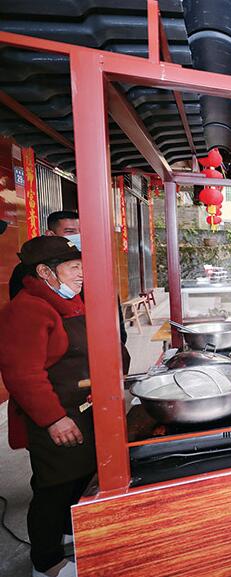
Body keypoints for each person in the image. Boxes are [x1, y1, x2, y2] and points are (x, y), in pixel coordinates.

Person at [0, 236, 93, 577]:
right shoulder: (27, 309)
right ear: (45, 272)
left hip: (80, 409)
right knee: (54, 486)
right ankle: (47, 562)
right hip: (53, 415)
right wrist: (54, 419)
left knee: (79, 476)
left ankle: (68, 532)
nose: (81, 274)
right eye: (74, 267)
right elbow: (23, 374)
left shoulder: (68, 302)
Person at [8, 210, 128, 346]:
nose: (78, 236)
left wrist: (119, 338)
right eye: (70, 232)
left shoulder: (95, 263)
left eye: (81, 232)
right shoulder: (26, 271)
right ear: (50, 235)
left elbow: (111, 302)